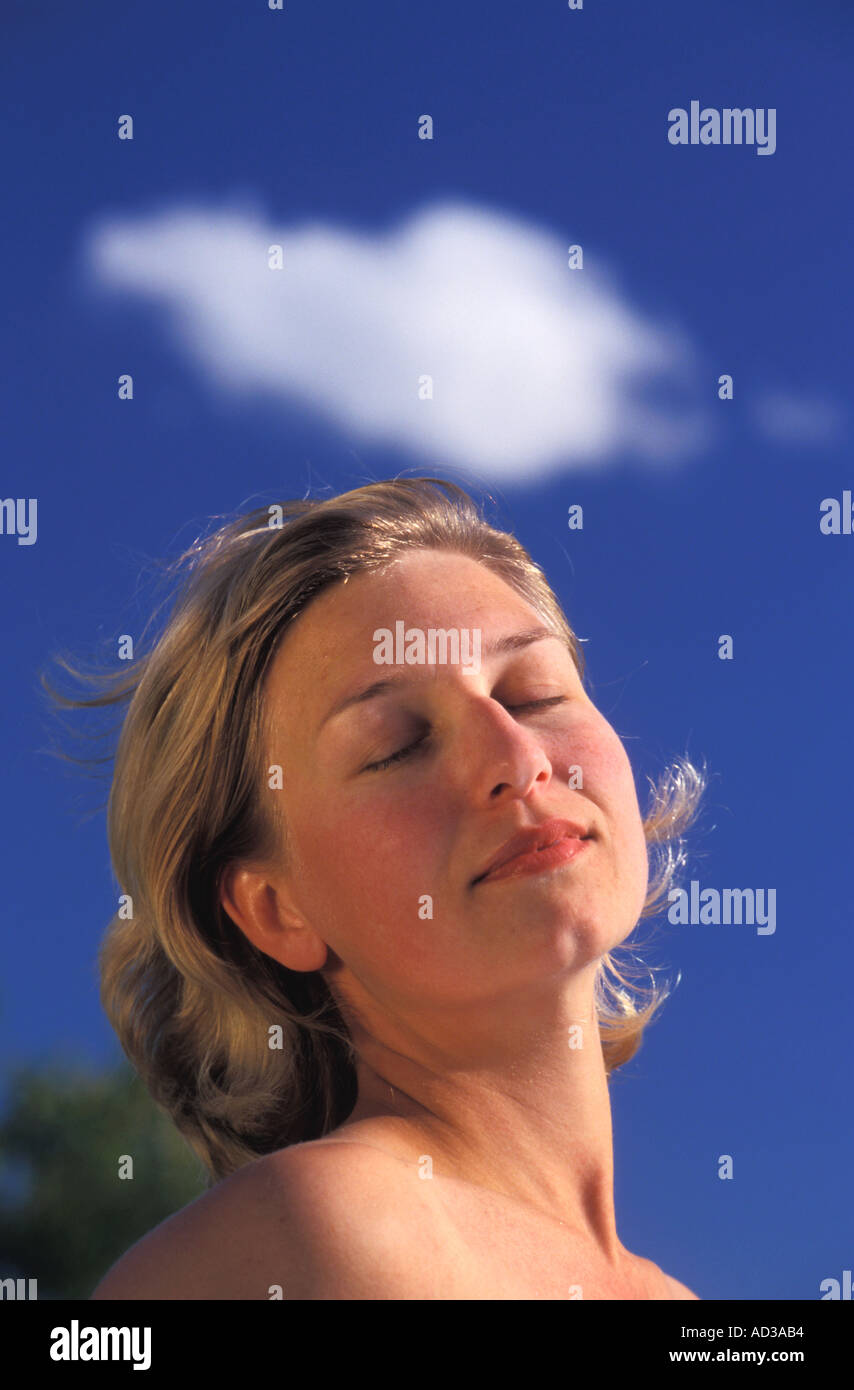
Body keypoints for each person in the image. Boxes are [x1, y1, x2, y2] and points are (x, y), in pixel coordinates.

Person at [66, 476, 703, 1300]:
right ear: (276, 909)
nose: (516, 760)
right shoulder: (299, 1238)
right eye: (397, 745)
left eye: (533, 693)